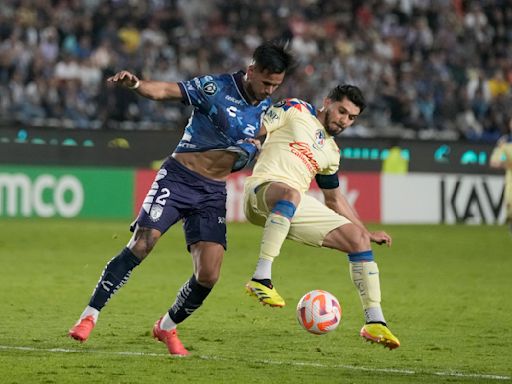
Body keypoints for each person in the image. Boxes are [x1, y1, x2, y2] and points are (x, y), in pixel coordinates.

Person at [68, 41, 295, 355]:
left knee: (209, 274)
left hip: (213, 192)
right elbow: (164, 91)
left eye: (276, 85)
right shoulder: (214, 87)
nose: (270, 90)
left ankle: (167, 327)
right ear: (251, 70)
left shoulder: (271, 113)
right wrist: (135, 84)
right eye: (266, 82)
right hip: (179, 177)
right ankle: (88, 317)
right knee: (143, 243)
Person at [243, 85, 400, 350]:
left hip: (289, 205)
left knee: (357, 238)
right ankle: (261, 278)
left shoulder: (331, 151)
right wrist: (250, 141)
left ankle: (375, 322)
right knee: (291, 193)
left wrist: (366, 230)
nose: (344, 120)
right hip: (260, 191)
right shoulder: (296, 109)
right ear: (327, 102)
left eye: (352, 118)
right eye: (342, 111)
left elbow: (334, 199)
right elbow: (260, 127)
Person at [490, 119, 512, 234]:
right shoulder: (505, 142)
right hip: (510, 177)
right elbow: (494, 162)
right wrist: (505, 164)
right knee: (509, 202)